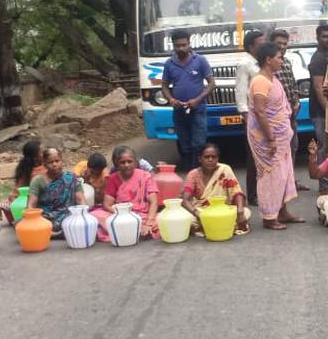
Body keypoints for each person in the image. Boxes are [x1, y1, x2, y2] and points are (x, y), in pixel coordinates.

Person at [248, 41, 304, 229]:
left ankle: (282, 211)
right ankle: (269, 217)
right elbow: (260, 112)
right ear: (268, 59)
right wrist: (271, 138)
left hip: (281, 135)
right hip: (267, 138)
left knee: (284, 173)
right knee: (270, 176)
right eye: (279, 57)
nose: (282, 60)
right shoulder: (260, 81)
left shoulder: (273, 79)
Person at [160, 29, 214, 170]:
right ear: (173, 45)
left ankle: (200, 171)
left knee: (199, 143)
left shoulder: (200, 60)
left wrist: (198, 99)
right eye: (178, 45)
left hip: (198, 109)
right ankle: (189, 172)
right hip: (178, 110)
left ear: (190, 44)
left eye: (184, 45)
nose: (181, 48)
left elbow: (212, 84)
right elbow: (164, 86)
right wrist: (171, 99)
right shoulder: (169, 63)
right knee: (184, 143)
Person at [91, 145, 160, 242]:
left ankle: (131, 230)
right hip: (121, 215)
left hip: (143, 216)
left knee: (164, 218)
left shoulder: (146, 176)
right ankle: (136, 231)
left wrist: (149, 223)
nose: (127, 165)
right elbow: (107, 205)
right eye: (122, 162)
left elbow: (153, 202)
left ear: (135, 162)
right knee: (95, 215)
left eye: (129, 161)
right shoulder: (112, 178)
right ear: (116, 164)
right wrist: (124, 214)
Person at [181, 142, 250, 235]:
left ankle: (208, 227)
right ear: (200, 159)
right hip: (202, 212)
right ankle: (222, 226)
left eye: (214, 157)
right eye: (206, 157)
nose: (210, 160)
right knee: (186, 218)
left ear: (217, 158)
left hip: (222, 211)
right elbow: (185, 200)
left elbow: (236, 192)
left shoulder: (225, 169)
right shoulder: (193, 174)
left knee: (246, 212)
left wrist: (240, 212)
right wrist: (198, 214)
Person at [270, 29, 304, 189]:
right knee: (279, 150)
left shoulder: (287, 62)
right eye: (279, 44)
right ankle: (279, 183)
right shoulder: (269, 65)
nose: (283, 47)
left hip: (291, 114)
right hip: (277, 116)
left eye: (285, 44)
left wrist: (297, 101)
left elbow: (292, 85)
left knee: (293, 147)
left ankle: (291, 181)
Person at [27, 147, 86, 237]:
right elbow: (31, 205)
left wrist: (83, 216)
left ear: (62, 161)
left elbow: (80, 200)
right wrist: (33, 220)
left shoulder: (71, 178)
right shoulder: (37, 180)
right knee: (22, 224)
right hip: (45, 219)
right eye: (50, 162)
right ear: (45, 165)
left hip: (67, 217)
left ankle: (53, 233)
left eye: (57, 161)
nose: (54, 164)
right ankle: (54, 232)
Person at [235, 29, 265, 203]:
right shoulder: (245, 64)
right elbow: (240, 92)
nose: (263, 45)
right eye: (260, 43)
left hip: (265, 115)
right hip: (252, 115)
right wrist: (245, 115)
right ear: (251, 46)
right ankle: (253, 195)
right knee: (253, 156)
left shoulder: (262, 61)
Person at [307, 24, 328, 165]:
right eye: (325, 36)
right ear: (318, 38)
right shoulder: (318, 58)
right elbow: (318, 88)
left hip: (327, 111)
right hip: (321, 112)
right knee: (325, 147)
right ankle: (324, 183)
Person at [0, 140, 44, 225]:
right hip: (31, 199)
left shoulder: (47, 166)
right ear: (35, 157)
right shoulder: (26, 171)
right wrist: (14, 201)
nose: (45, 153)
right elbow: (17, 191)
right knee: (6, 205)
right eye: (42, 152)